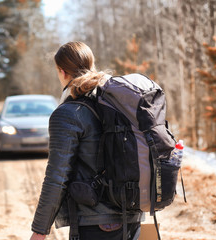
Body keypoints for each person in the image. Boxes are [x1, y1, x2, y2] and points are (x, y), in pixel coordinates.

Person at [30, 42, 143, 240]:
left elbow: (57, 177)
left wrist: (40, 230)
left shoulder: (67, 113)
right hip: (132, 218)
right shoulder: (116, 102)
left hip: (96, 224)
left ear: (62, 72)